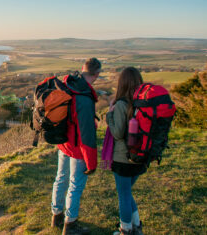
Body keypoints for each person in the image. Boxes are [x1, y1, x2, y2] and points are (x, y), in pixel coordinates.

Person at [51, 58, 101, 235]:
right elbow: (86, 134)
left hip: (63, 142)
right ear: (96, 75)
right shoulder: (84, 96)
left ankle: (56, 215)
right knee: (75, 184)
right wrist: (91, 163)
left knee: (61, 177)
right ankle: (70, 224)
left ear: (82, 69)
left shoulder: (68, 84)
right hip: (76, 147)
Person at [106, 67, 146, 235]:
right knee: (127, 193)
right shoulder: (144, 103)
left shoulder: (122, 104)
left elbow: (117, 133)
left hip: (123, 159)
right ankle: (136, 225)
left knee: (123, 195)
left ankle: (126, 229)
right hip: (141, 156)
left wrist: (109, 115)